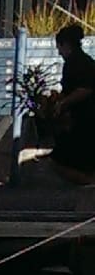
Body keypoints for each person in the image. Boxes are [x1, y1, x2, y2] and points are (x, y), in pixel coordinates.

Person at [50, 24, 95, 184]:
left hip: (85, 119)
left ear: (66, 44)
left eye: (59, 47)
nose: (59, 52)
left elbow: (85, 88)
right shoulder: (83, 61)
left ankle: (88, 183)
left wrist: (63, 103)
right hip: (81, 119)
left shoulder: (77, 63)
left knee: (59, 160)